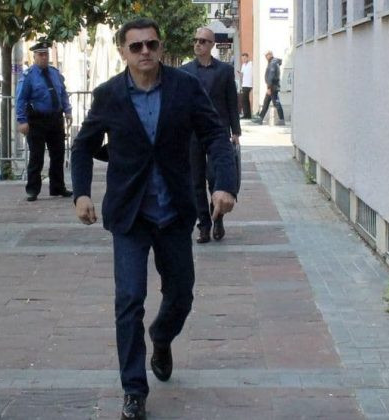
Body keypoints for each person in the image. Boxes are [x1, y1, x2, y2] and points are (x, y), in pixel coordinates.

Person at [70, 18, 237, 420]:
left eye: (151, 44)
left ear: (160, 47)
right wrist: (81, 193)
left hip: (175, 211)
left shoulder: (184, 87)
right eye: (136, 46)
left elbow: (216, 135)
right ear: (123, 52)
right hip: (130, 214)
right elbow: (83, 146)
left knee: (181, 295)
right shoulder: (109, 95)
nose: (145, 51)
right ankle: (133, 390)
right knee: (129, 301)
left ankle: (161, 337)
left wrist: (224, 185)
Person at [180, 27, 241, 244]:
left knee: (216, 179)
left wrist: (236, 131)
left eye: (203, 41)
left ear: (212, 44)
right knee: (195, 181)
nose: (198, 44)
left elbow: (231, 102)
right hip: (193, 133)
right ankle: (204, 225)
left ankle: (218, 219)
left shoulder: (224, 71)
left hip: (218, 133)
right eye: (195, 40)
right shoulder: (185, 71)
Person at [16, 40, 73, 201]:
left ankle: (57, 187)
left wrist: (68, 110)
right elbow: (21, 99)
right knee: (37, 156)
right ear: (34, 57)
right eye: (40, 55)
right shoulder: (28, 76)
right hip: (37, 121)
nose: (44, 57)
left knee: (58, 155)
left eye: (46, 54)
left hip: (55, 119)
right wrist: (22, 120)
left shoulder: (55, 73)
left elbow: (63, 93)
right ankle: (32, 190)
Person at [252, 50, 285, 126]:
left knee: (276, 103)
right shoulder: (273, 62)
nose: (265, 57)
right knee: (266, 102)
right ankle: (260, 118)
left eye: (266, 55)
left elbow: (271, 75)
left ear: (270, 55)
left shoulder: (272, 63)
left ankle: (281, 119)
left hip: (272, 87)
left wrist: (269, 88)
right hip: (272, 86)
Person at [238, 53, 253, 119]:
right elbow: (242, 75)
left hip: (250, 84)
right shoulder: (243, 65)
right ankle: (247, 115)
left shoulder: (251, 64)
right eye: (242, 59)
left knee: (244, 100)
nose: (243, 60)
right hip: (244, 84)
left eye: (244, 58)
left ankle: (247, 115)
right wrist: (240, 74)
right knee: (245, 100)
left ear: (247, 57)